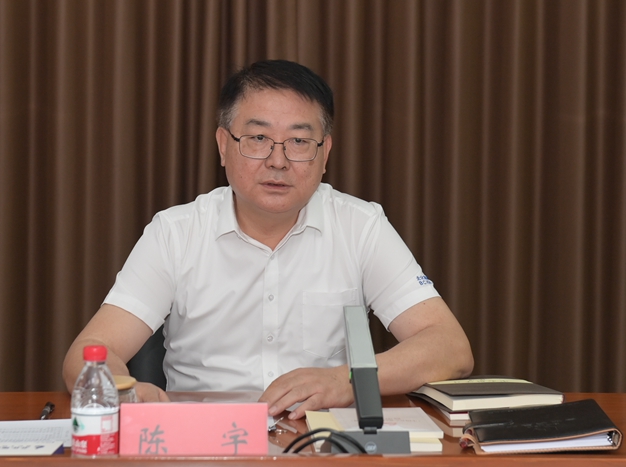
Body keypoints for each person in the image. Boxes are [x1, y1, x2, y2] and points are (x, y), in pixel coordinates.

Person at [62, 59, 474, 420]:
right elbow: (90, 350)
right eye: (258, 139)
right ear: (223, 146)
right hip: (205, 444)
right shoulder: (175, 232)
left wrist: (345, 381)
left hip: (320, 442)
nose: (278, 160)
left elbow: (451, 348)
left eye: (299, 141)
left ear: (325, 153)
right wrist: (125, 393)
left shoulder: (360, 226)